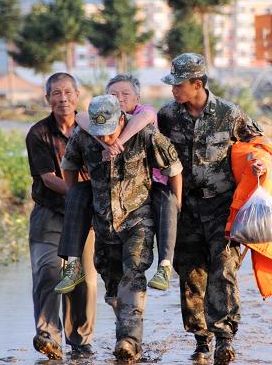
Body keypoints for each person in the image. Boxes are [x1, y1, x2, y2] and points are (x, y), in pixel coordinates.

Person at [157, 53, 266, 364]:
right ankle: (201, 339)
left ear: (197, 84)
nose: (173, 90)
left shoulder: (229, 114)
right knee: (190, 273)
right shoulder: (167, 116)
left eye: (178, 84)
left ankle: (224, 337)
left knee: (223, 268)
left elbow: (256, 145)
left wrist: (258, 163)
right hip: (185, 208)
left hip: (222, 206)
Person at [61, 94, 183, 361]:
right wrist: (76, 201)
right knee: (113, 286)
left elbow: (174, 168)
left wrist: (175, 207)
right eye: (99, 133)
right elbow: (68, 166)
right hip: (103, 223)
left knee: (134, 274)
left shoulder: (145, 136)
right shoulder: (84, 137)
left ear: (121, 119)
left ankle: (130, 341)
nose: (105, 139)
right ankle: (125, 329)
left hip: (138, 219)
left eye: (109, 133)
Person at [57, 73, 180, 292]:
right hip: (106, 211)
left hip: (145, 199)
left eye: (125, 94)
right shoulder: (92, 124)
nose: (120, 98)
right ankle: (73, 265)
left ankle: (165, 265)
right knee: (76, 194)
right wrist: (105, 144)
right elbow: (81, 119)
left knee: (168, 201)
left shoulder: (144, 120)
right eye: (114, 94)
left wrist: (118, 143)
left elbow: (145, 124)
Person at [25, 72, 96, 360]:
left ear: (78, 96)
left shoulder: (91, 128)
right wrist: (81, 191)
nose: (63, 98)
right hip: (50, 212)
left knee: (84, 279)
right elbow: (48, 178)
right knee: (50, 271)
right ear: (48, 99)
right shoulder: (38, 133)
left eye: (68, 92)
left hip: (87, 214)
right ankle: (48, 335)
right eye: (56, 93)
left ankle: (80, 341)